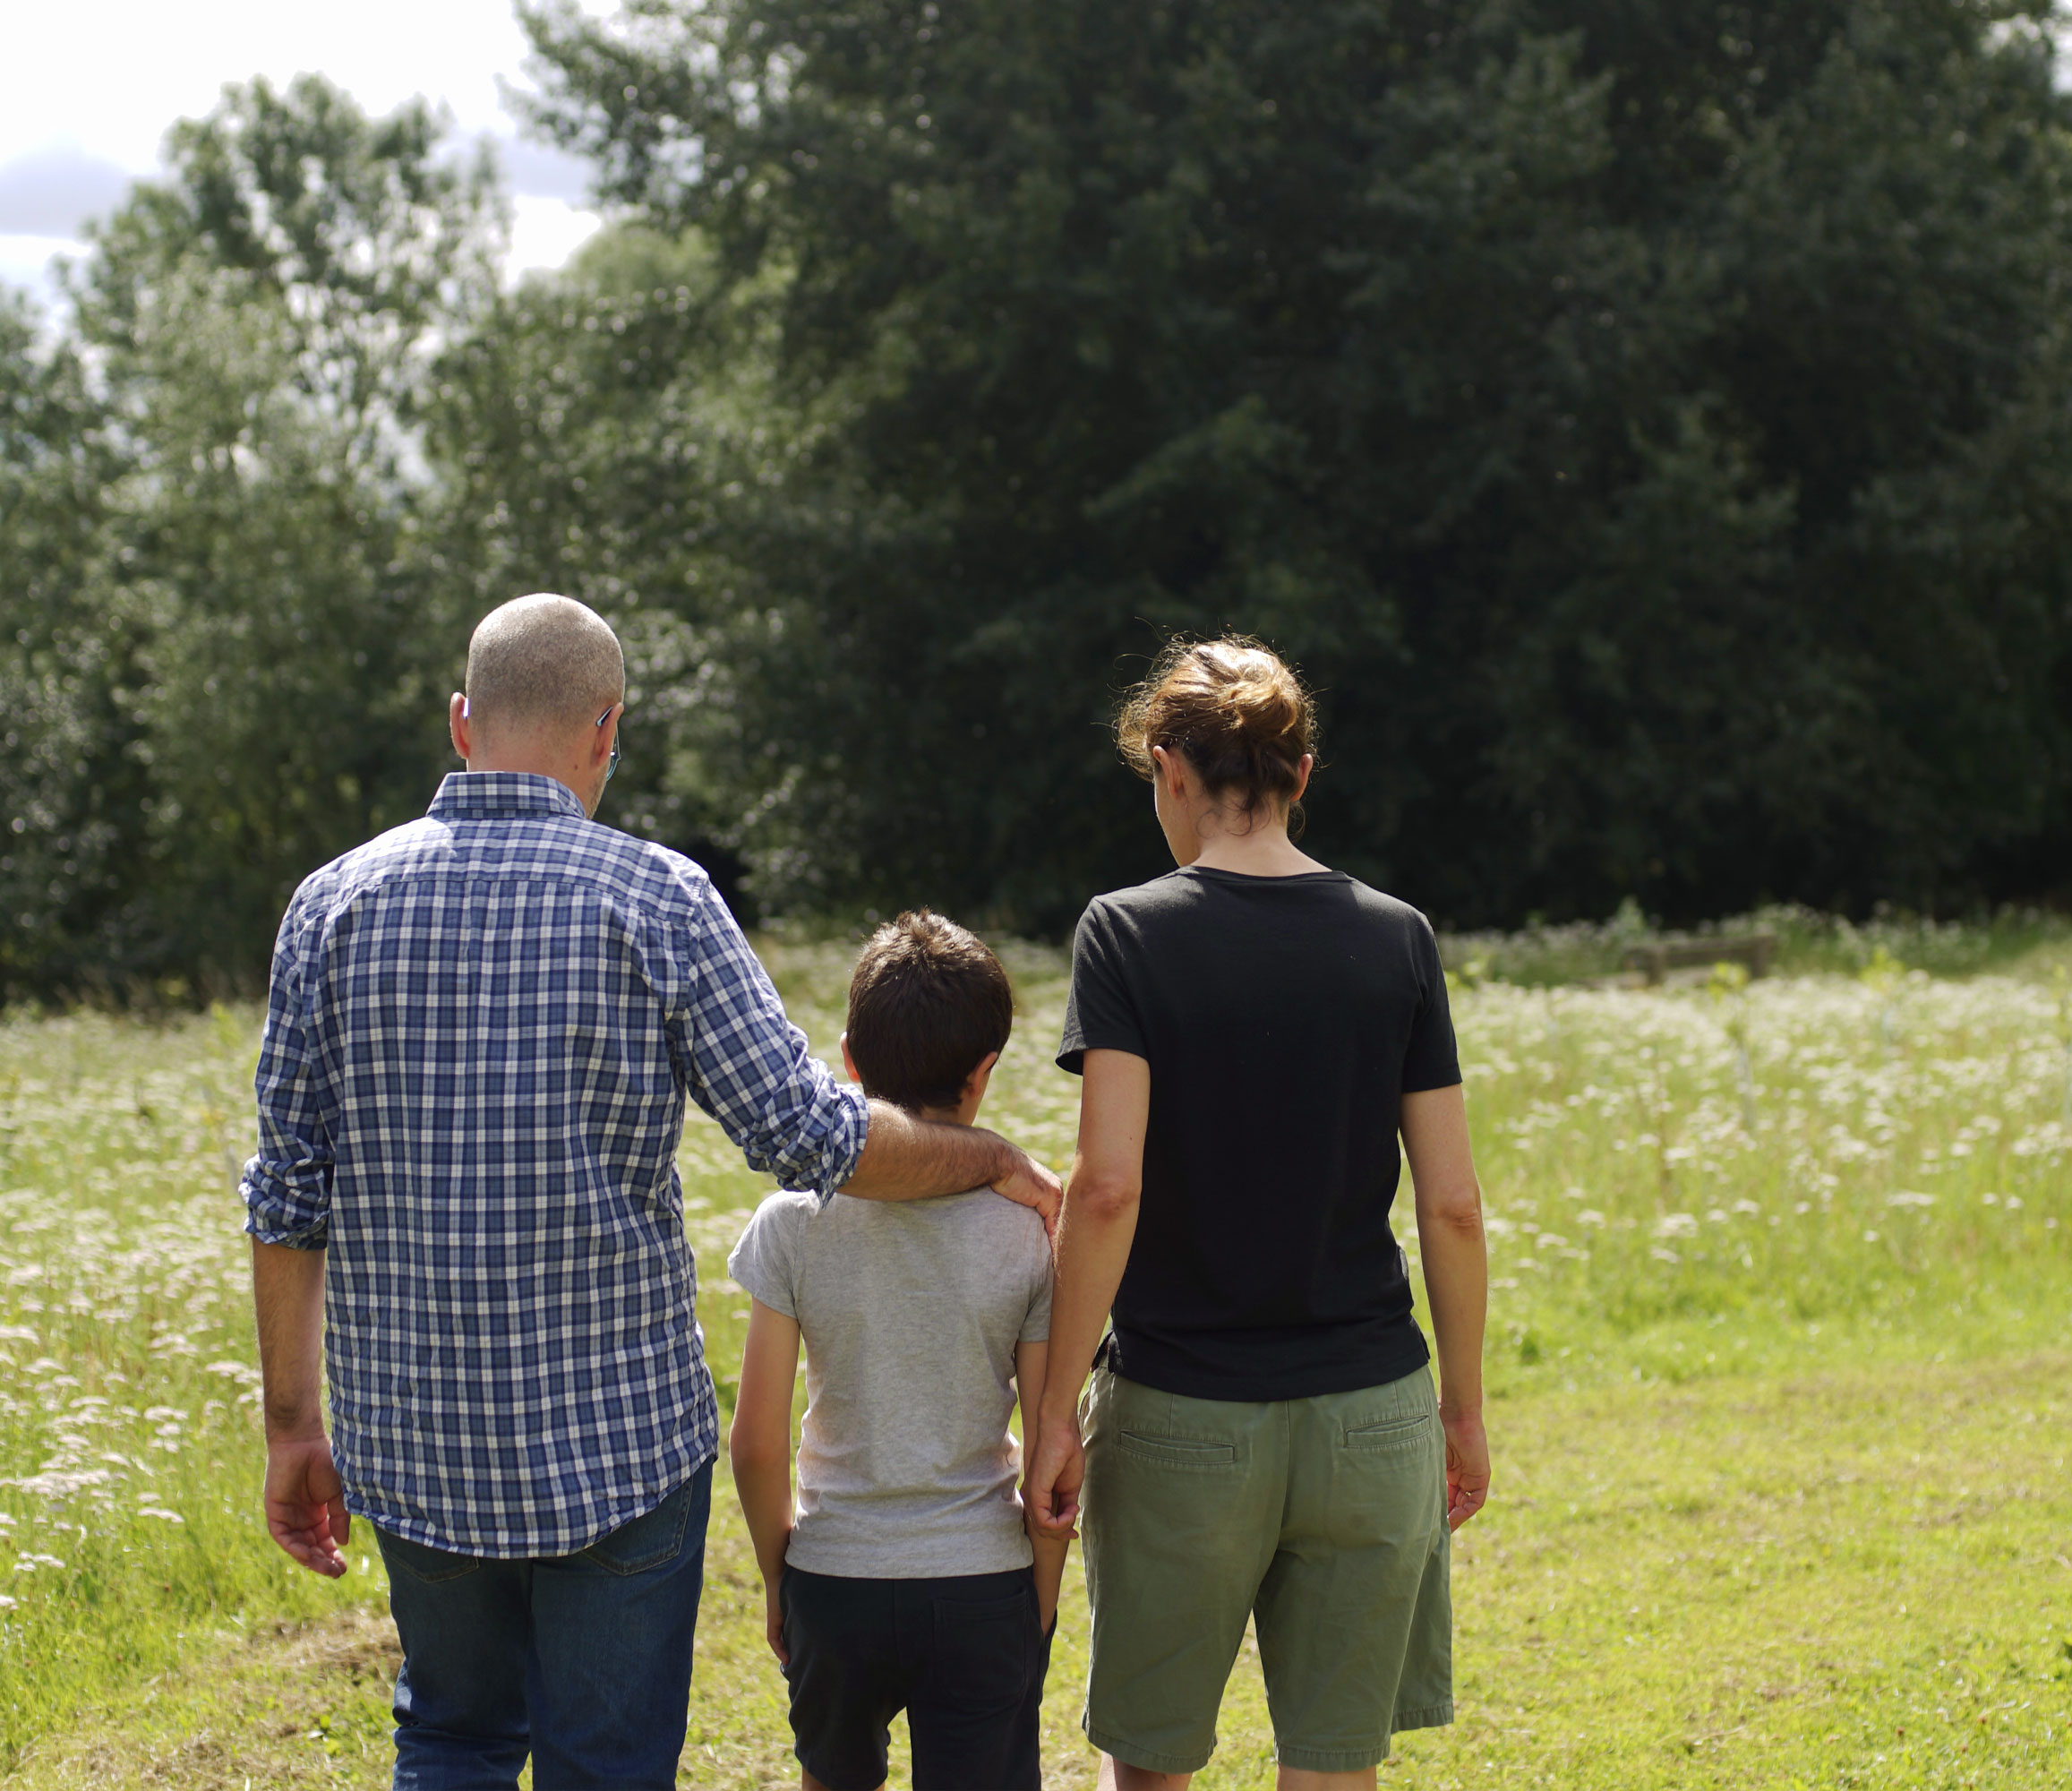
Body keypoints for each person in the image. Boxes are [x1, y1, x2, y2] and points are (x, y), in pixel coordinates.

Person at [239, 594, 1063, 1791]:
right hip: (617, 1445)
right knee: (609, 1766)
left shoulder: (329, 906)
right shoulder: (659, 900)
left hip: (411, 1440)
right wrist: (987, 1158)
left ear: (462, 723)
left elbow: (285, 1198)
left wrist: (293, 1430)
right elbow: (808, 1131)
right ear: (605, 729)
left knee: (451, 1741)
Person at [1023, 638, 1493, 1791]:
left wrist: (1053, 1406)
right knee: (1336, 1767)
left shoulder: (1126, 930)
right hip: (1374, 1417)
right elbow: (1453, 1203)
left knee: (1154, 1763)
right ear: (1303, 771)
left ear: (1172, 767)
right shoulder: (1398, 936)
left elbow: (1108, 1186)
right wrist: (1462, 1410)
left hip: (1184, 1412)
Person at [728, 912, 1066, 1791]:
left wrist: (781, 1580)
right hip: (981, 1578)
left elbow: (758, 1440)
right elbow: (1049, 1447)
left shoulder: (792, 1220)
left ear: (847, 1059)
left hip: (834, 1576)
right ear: (985, 1069)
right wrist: (1040, 1595)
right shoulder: (1028, 1232)